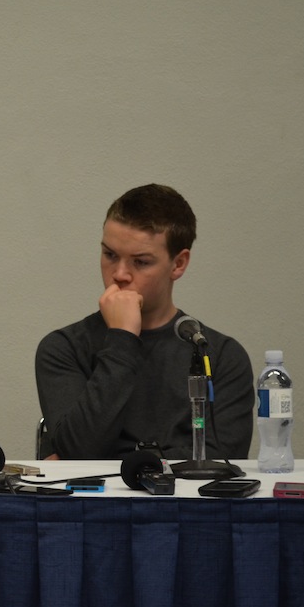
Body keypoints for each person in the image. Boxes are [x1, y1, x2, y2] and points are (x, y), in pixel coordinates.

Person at [35, 184, 253, 460]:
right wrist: (122, 338)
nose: (120, 274)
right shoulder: (63, 348)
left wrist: (122, 459)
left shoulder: (220, 355)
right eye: (110, 255)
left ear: (178, 264)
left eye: (141, 262)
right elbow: (79, 452)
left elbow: (219, 463)